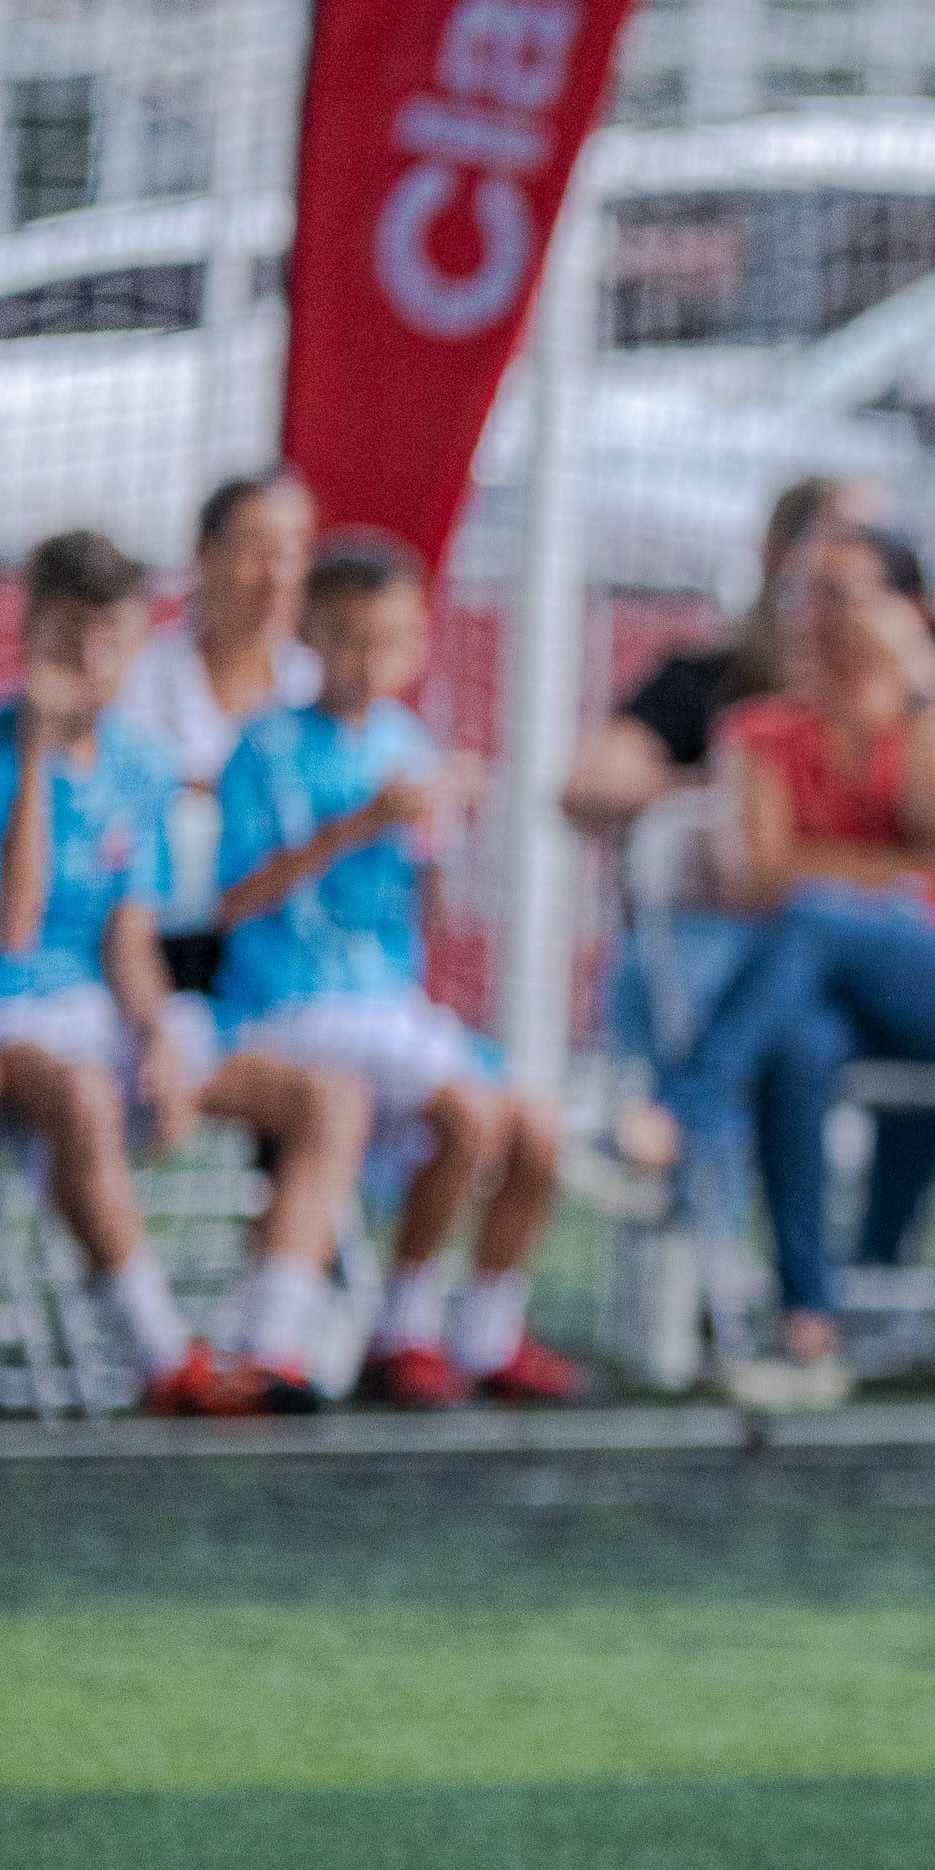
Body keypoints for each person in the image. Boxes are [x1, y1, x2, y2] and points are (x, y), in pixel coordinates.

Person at [619, 522, 935, 1410]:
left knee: (814, 923)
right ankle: (811, 1319)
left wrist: (920, 677)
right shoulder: (762, 732)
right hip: (847, 993)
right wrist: (918, 877)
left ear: (910, 605)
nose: (820, 615)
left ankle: (682, 1109)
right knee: (802, 1034)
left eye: (844, 591)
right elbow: (760, 878)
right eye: (803, 592)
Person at [0, 531, 365, 1417]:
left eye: (112, 638)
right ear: (30, 634)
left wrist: (156, 1033)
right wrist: (33, 754)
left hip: (96, 1013)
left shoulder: (143, 762)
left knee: (329, 1100)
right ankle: (164, 1357)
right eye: (70, 637)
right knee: (86, 1097)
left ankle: (267, 1346)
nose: (92, 661)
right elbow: (13, 930)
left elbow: (129, 938)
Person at [207, 537, 586, 1408]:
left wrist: (440, 834)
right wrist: (357, 824)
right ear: (308, 632)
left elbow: (432, 916)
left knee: (538, 1131)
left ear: (418, 642)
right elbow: (230, 902)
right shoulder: (264, 747)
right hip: (289, 1003)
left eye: (388, 638)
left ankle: (487, 1334)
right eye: (345, 635)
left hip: (387, 1005)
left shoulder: (406, 740)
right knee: (468, 1116)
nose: (367, 658)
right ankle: (401, 1331)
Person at [559, 474, 888, 1069]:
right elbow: (585, 789)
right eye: (844, 542)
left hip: (848, 947)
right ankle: (689, 1122)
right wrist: (736, 790)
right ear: (780, 553)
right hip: (723, 937)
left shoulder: (904, 716)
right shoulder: (709, 683)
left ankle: (683, 1116)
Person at [127, 471, 324, 994]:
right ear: (203, 554)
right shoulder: (139, 681)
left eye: (293, 551)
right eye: (257, 550)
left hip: (292, 949)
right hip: (161, 941)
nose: (276, 575)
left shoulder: (321, 687)